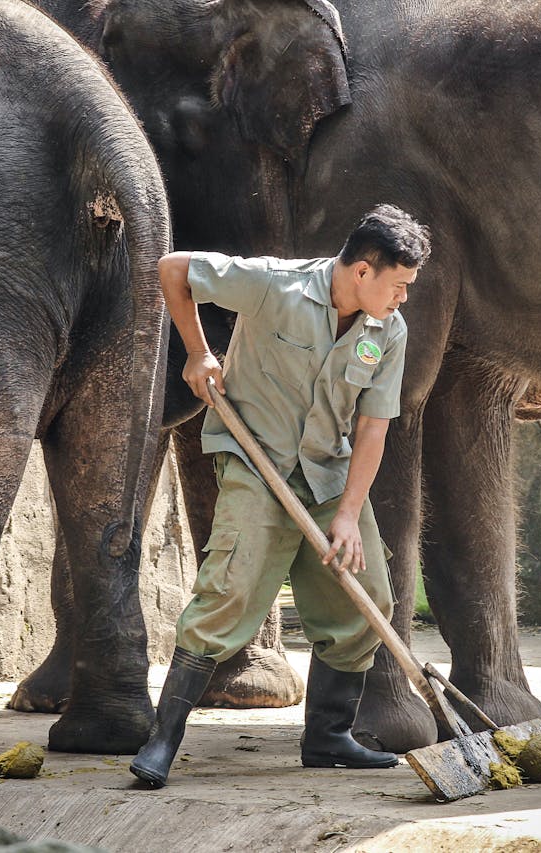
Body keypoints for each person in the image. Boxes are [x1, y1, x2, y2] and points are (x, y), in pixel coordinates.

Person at [130, 205, 431, 788]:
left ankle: (328, 737)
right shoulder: (275, 284)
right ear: (363, 272)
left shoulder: (387, 332)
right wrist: (196, 352)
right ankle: (164, 738)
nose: (403, 299)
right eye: (399, 285)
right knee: (230, 590)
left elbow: (373, 428)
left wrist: (347, 514)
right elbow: (173, 268)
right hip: (254, 461)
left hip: (327, 474)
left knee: (366, 596)